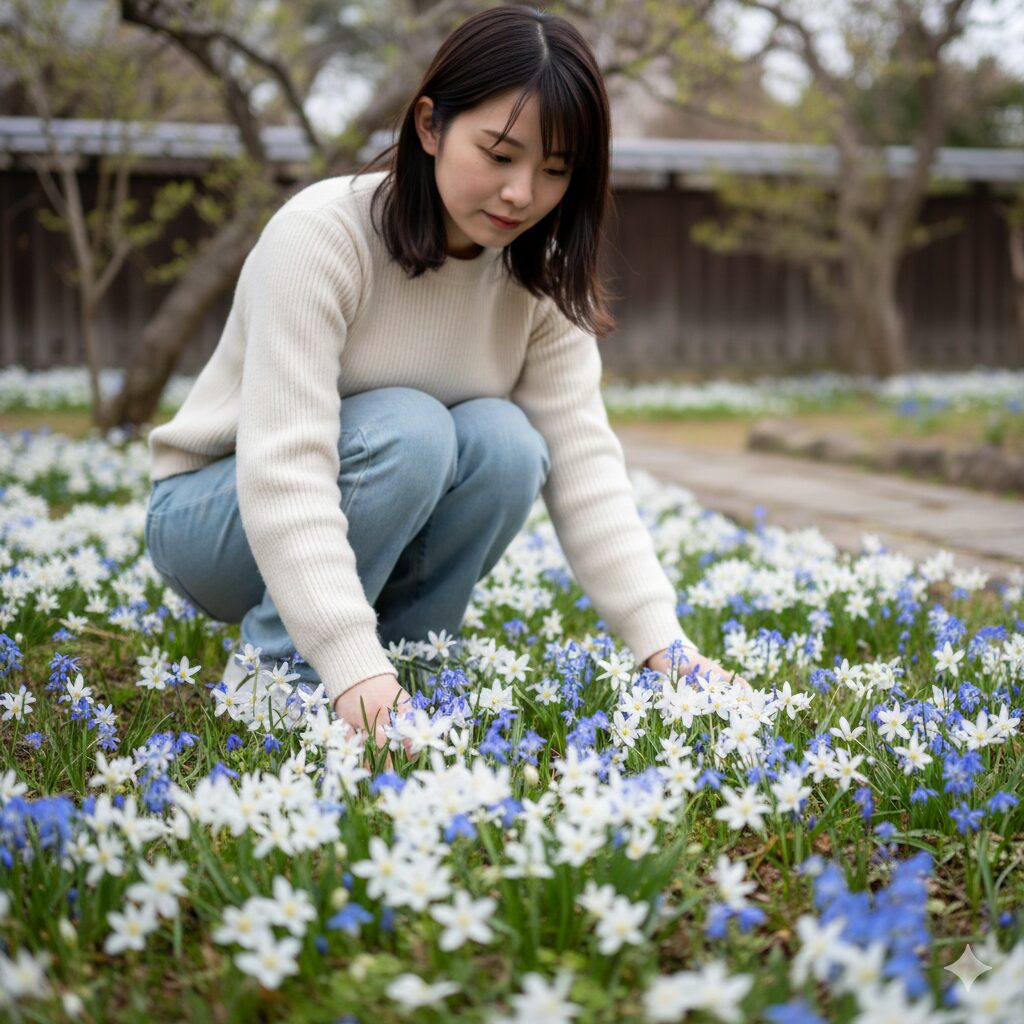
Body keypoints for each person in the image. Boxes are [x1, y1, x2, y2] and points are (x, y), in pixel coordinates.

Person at [143, 6, 747, 754]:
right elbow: (284, 467)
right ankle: (279, 675)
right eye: (499, 154)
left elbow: (588, 473)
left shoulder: (542, 282)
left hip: (350, 511)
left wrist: (669, 652)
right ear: (429, 126)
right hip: (214, 521)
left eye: (555, 171)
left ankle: (407, 663)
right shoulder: (323, 235)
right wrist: (342, 657)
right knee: (414, 426)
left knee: (507, 442)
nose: (522, 193)